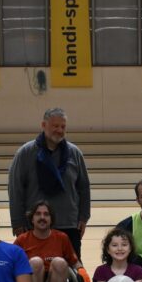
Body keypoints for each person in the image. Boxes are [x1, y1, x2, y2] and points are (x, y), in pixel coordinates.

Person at [8, 107, 91, 258]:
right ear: (43, 125)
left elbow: (84, 187)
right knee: (35, 267)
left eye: (63, 127)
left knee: (72, 267)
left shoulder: (75, 153)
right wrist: (18, 222)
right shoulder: (25, 153)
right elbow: (15, 189)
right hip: (34, 225)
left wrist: (84, 217)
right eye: (55, 126)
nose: (59, 130)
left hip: (69, 223)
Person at [13, 200, 91, 282]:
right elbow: (12, 264)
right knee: (36, 262)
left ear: (51, 219)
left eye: (46, 214)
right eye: (38, 214)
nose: (42, 217)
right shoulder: (22, 240)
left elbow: (74, 261)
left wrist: (81, 270)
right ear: (32, 219)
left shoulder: (61, 238)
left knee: (60, 262)